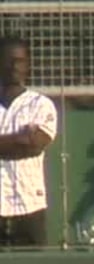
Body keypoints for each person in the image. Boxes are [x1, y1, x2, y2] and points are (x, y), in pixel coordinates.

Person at [0, 36, 57, 248]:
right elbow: (24, 143)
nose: (15, 66)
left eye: (21, 60)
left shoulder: (41, 104)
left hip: (29, 207)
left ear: (29, 64)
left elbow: (34, 145)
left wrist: (26, 142)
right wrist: (19, 139)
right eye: (9, 60)